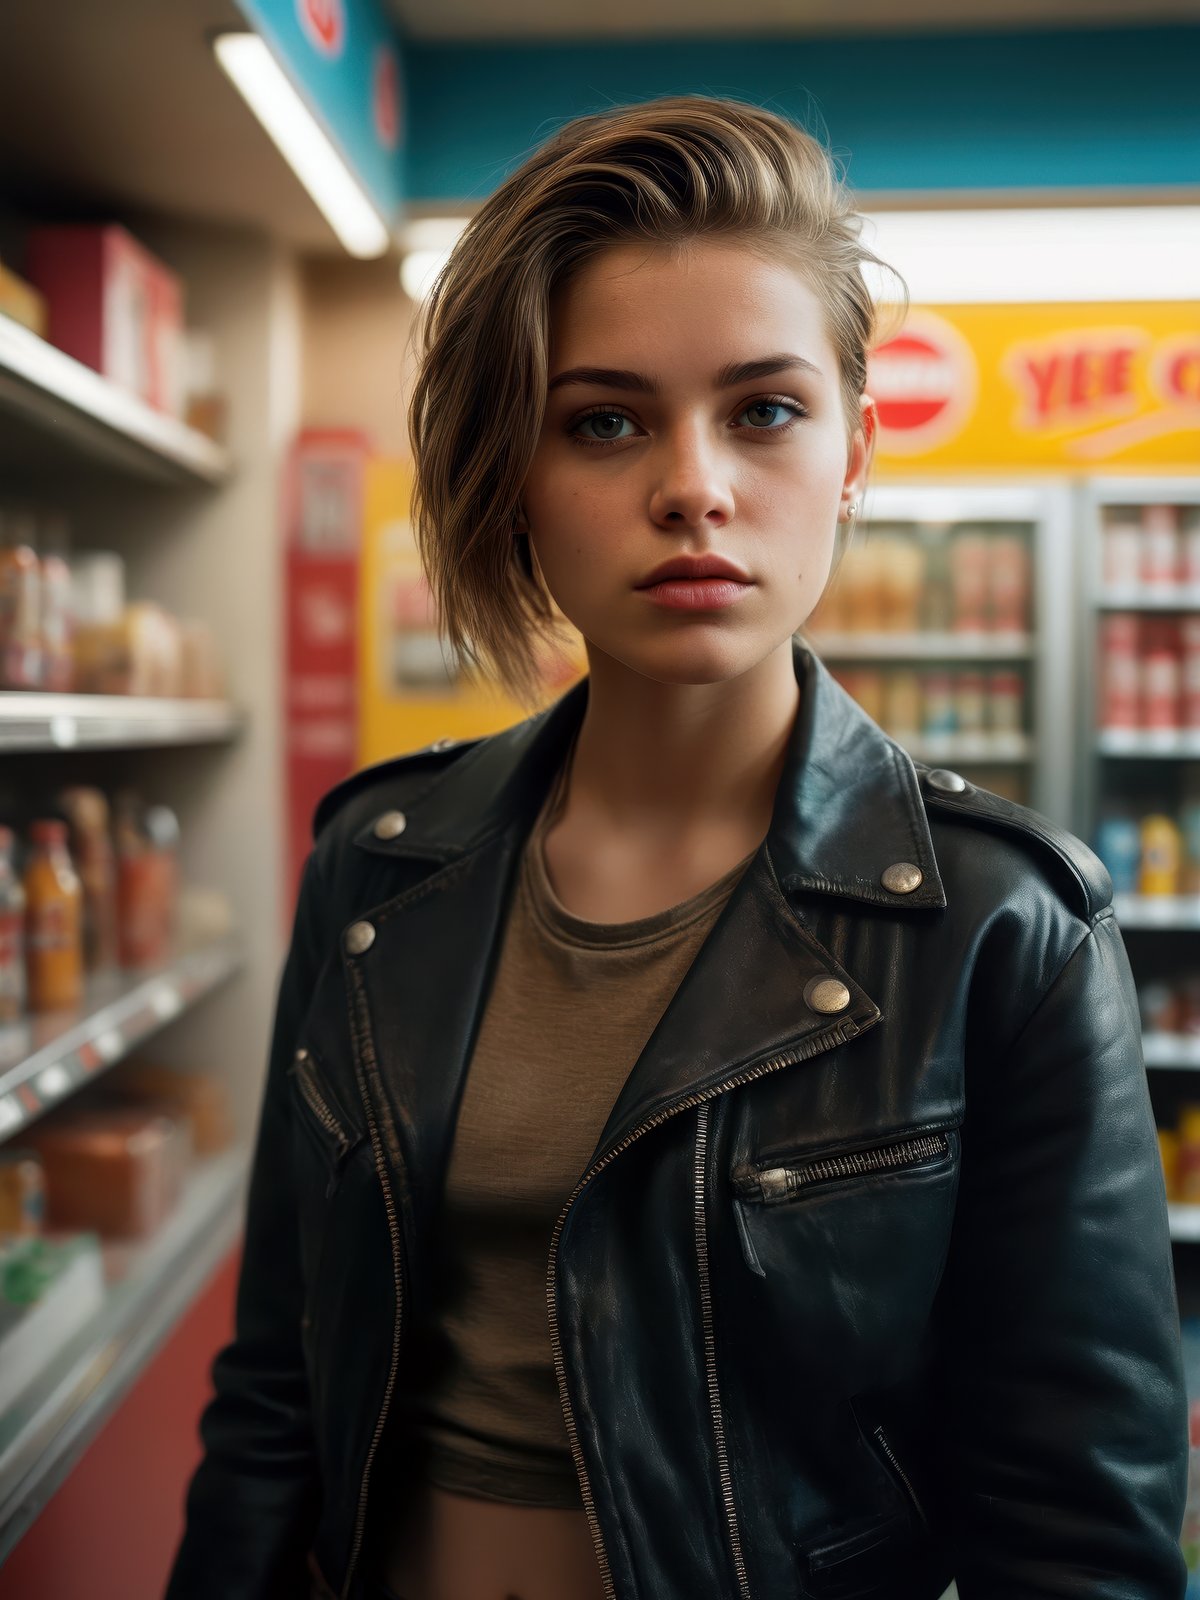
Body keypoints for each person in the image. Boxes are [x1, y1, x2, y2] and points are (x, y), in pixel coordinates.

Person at [164, 96, 1188, 1600]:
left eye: (764, 410)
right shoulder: (377, 871)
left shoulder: (998, 930)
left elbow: (1076, 1531)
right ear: (516, 475)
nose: (692, 486)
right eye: (606, 420)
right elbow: (276, 1392)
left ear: (854, 450)